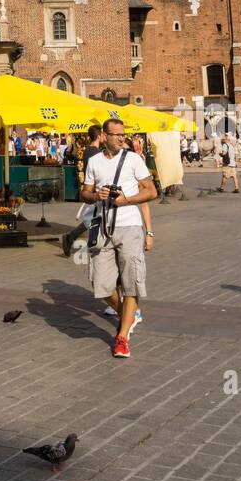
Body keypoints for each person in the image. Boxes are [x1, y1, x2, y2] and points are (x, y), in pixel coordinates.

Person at [82, 119, 156, 358]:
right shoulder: (94, 161)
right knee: (101, 285)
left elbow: (151, 191)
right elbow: (84, 192)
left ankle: (122, 337)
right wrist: (96, 194)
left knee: (131, 282)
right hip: (102, 226)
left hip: (129, 226)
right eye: (116, 135)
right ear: (104, 136)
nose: (121, 138)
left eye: (123, 134)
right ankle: (129, 313)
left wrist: (127, 199)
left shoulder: (134, 159)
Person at [61, 125, 103, 258]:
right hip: (95, 189)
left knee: (94, 217)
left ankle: (85, 240)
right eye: (102, 134)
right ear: (98, 136)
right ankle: (71, 237)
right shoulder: (95, 152)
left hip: (91, 188)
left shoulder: (87, 151)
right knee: (93, 218)